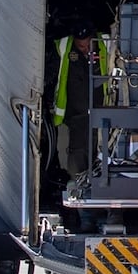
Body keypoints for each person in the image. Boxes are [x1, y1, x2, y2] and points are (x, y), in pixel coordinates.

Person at [50, 23, 111, 177]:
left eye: (87, 45)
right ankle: (77, 183)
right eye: (80, 46)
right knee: (77, 152)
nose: (84, 49)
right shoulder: (64, 48)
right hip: (75, 115)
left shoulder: (106, 44)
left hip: (100, 112)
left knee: (99, 148)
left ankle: (97, 180)